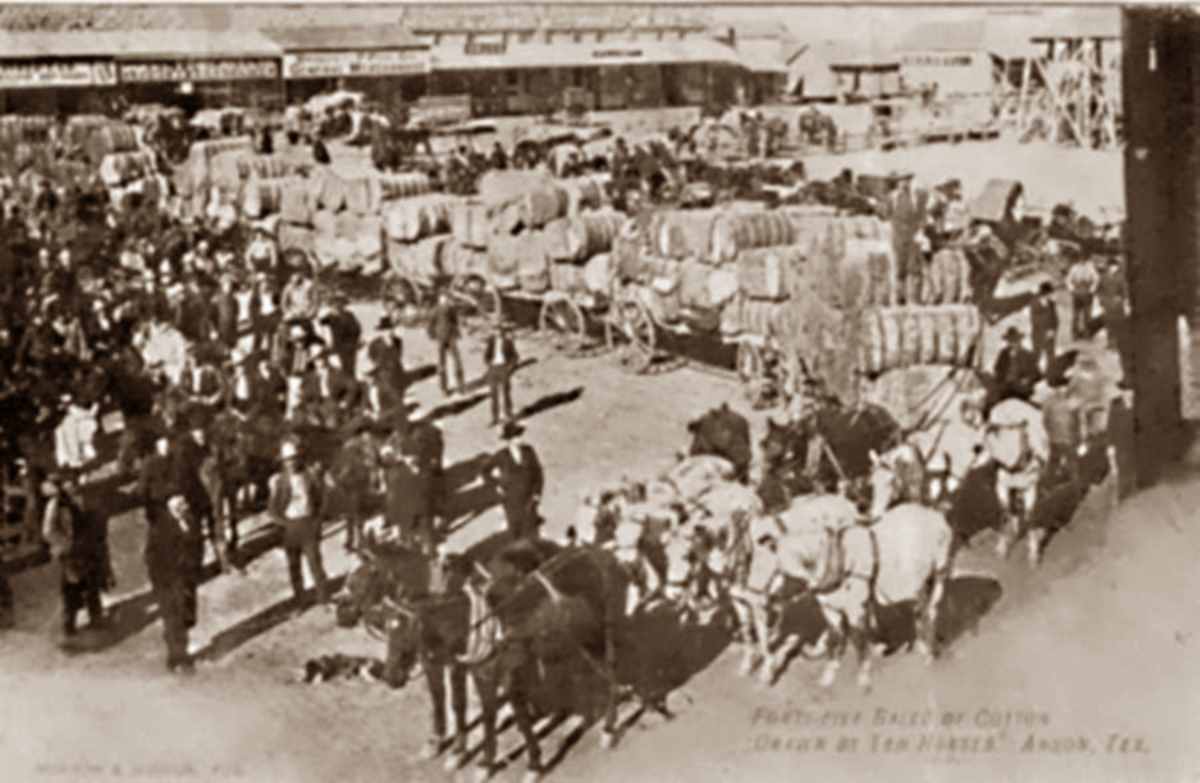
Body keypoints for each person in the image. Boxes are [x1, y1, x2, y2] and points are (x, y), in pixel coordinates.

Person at [42, 477, 110, 638]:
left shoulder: (82, 499)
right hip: (69, 553)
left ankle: (96, 617)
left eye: (74, 483)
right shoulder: (56, 504)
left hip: (85, 548)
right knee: (71, 588)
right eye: (68, 484)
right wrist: (66, 544)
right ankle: (69, 624)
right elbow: (47, 531)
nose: (72, 486)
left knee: (91, 582)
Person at [267, 441, 330, 611]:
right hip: (291, 527)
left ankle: (323, 599)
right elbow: (272, 509)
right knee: (294, 567)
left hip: (308, 523)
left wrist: (318, 521)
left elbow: (322, 499)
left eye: (294, 459)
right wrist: (283, 524)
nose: (291, 463)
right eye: (287, 460)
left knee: (315, 564)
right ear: (283, 462)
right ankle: (300, 602)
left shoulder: (309, 476)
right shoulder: (279, 481)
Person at [145, 494, 205, 673]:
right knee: (173, 621)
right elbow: (151, 558)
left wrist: (196, 568)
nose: (186, 507)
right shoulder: (159, 528)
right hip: (168, 583)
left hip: (187, 580)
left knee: (187, 618)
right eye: (182, 505)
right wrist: (160, 582)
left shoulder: (191, 521)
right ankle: (179, 658)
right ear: (173, 509)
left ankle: (178, 654)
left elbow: (198, 545)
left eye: (186, 503)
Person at [483, 422, 544, 539]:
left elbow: (538, 472)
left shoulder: (528, 451)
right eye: (516, 437)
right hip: (511, 499)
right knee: (515, 529)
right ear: (509, 440)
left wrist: (537, 493)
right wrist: (496, 486)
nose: (519, 439)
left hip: (529, 497)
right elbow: (485, 470)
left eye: (519, 436)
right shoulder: (502, 455)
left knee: (532, 529)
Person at [989, 327, 1040, 411]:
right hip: (1005, 389)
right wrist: (999, 380)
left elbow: (1037, 374)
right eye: (1010, 341)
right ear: (1008, 342)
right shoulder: (1003, 354)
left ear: (1020, 341)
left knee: (1022, 407)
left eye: (1015, 340)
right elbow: (997, 369)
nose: (1013, 343)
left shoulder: (1027, 355)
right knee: (992, 403)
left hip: (1021, 389)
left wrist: (1028, 379)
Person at [428, 288, 465, 398]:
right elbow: (430, 325)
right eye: (443, 298)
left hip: (451, 337)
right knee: (441, 364)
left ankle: (460, 386)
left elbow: (455, 322)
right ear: (439, 299)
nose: (444, 300)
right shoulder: (435, 310)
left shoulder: (451, 309)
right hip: (441, 338)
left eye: (446, 298)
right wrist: (433, 336)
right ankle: (444, 388)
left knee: (457, 361)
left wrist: (457, 333)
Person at [482, 319, 518, 426]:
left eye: (499, 331)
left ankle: (509, 415)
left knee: (506, 393)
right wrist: (489, 364)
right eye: (495, 330)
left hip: (503, 368)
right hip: (493, 369)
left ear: (502, 332)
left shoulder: (508, 342)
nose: (497, 333)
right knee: (493, 394)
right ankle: (495, 418)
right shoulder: (491, 341)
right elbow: (486, 355)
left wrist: (509, 368)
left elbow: (515, 357)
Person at [318, 294, 362, 377]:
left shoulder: (349, 315)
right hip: (334, 348)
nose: (337, 305)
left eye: (340, 303)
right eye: (334, 303)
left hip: (349, 348)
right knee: (335, 371)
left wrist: (355, 341)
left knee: (349, 371)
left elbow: (357, 330)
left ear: (343, 304)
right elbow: (321, 331)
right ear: (331, 305)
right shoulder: (327, 318)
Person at [366, 316, 405, 400]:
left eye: (391, 329)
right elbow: (371, 358)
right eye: (386, 330)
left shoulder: (398, 341)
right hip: (381, 373)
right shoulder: (375, 344)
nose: (389, 332)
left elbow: (398, 356)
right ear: (381, 331)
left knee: (398, 394)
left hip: (396, 371)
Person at [1066, 254, 1100, 340]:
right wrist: (1072, 289)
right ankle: (1075, 334)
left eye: (1084, 259)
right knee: (1076, 314)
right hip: (1077, 291)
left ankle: (1087, 334)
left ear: (1086, 260)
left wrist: (1092, 289)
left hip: (1087, 291)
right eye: (1080, 259)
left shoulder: (1090, 268)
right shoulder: (1074, 268)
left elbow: (1096, 278)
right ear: (1078, 259)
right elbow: (1068, 279)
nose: (1082, 261)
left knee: (1087, 314)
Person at [1029, 281, 1059, 374]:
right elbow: (1034, 320)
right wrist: (1046, 330)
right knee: (1037, 355)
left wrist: (1053, 330)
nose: (1052, 295)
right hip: (1038, 334)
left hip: (1050, 334)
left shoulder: (1051, 303)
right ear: (1045, 293)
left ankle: (1051, 374)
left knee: (1051, 355)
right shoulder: (1034, 302)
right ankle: (1034, 374)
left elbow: (1056, 318)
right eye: (1050, 293)